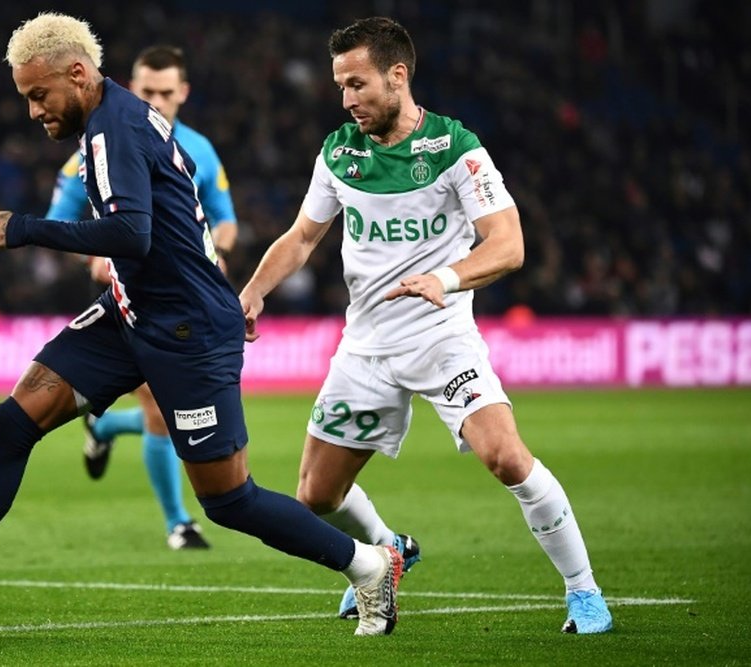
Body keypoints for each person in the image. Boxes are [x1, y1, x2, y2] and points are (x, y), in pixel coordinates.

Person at [0, 12, 403, 637]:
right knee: (13, 420)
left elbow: (133, 234)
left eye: (38, 95)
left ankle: (368, 565)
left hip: (189, 331)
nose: (32, 111)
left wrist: (24, 228)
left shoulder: (116, 132)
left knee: (229, 501)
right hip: (133, 311)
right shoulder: (110, 120)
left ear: (77, 75)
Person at [238, 17, 613, 635]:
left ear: (397, 75)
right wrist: (253, 291)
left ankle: (584, 592)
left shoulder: (455, 150)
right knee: (315, 498)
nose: (347, 99)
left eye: (357, 84)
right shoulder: (338, 153)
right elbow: (304, 237)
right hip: (365, 347)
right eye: (340, 86)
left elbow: (509, 243)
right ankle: (385, 555)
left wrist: (448, 278)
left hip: (442, 338)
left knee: (506, 457)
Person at [46, 45, 239, 550]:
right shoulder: (95, 145)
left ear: (183, 93)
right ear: (131, 87)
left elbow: (227, 221)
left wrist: (212, 252)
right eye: (146, 91)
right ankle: (179, 522)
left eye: (165, 93)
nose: (156, 99)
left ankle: (105, 429)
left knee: (170, 411)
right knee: (159, 407)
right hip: (131, 296)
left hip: (188, 296)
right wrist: (93, 257)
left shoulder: (198, 149)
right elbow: (62, 217)